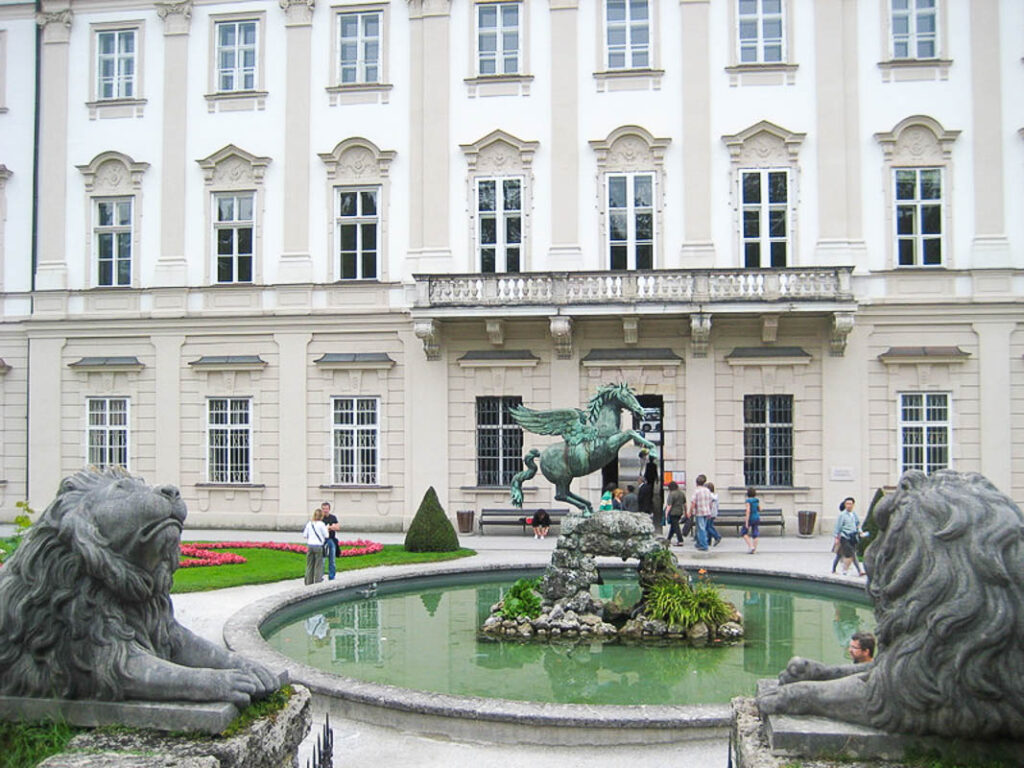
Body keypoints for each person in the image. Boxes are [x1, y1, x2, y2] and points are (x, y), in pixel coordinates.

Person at [833, 496, 864, 576]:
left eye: (850, 504)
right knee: (849, 554)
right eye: (847, 504)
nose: (849, 505)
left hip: (853, 537)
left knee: (841, 554)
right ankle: (845, 570)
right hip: (845, 537)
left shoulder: (854, 514)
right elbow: (838, 527)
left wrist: (860, 532)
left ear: (853, 505)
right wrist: (836, 537)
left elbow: (857, 524)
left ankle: (834, 569)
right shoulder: (842, 515)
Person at [302, 508, 329, 585]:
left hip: (310, 545)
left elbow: (304, 535)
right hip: (318, 546)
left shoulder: (309, 524)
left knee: (309, 565)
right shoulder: (321, 524)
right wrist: (326, 529)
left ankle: (308, 582)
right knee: (318, 565)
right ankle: (317, 582)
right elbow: (326, 535)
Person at [689, 474, 713, 551]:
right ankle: (699, 543)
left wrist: (690, 511)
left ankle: (704, 545)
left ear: (696, 483)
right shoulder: (707, 491)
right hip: (707, 511)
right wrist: (710, 511)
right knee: (703, 528)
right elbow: (710, 502)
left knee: (701, 528)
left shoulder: (696, 491)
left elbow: (693, 502)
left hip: (699, 512)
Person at [321, 500, 340, 580]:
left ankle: (332, 576)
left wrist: (329, 528)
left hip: (331, 539)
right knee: (322, 559)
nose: (325, 510)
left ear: (329, 509)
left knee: (332, 559)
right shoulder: (320, 518)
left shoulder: (333, 517)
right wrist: (330, 527)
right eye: (323, 509)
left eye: (326, 508)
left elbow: (338, 527)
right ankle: (320, 576)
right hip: (322, 540)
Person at [664, 481, 687, 546]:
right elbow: (685, 504)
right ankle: (668, 539)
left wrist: (666, 513)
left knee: (676, 526)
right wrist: (685, 512)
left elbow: (669, 505)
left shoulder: (671, 494)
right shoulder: (682, 493)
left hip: (673, 512)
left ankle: (680, 540)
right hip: (680, 512)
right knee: (673, 526)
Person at [742, 487, 761, 554]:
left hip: (751, 518)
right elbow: (760, 509)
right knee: (755, 533)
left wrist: (746, 521)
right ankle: (754, 549)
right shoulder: (756, 500)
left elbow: (748, 511)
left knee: (744, 532)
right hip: (757, 517)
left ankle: (751, 546)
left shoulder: (748, 501)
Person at [705, 481, 722, 547]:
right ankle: (708, 540)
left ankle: (717, 536)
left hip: (709, 512)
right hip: (714, 512)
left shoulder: (709, 496)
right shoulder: (715, 496)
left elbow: (709, 505)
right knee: (710, 525)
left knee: (707, 527)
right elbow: (717, 505)